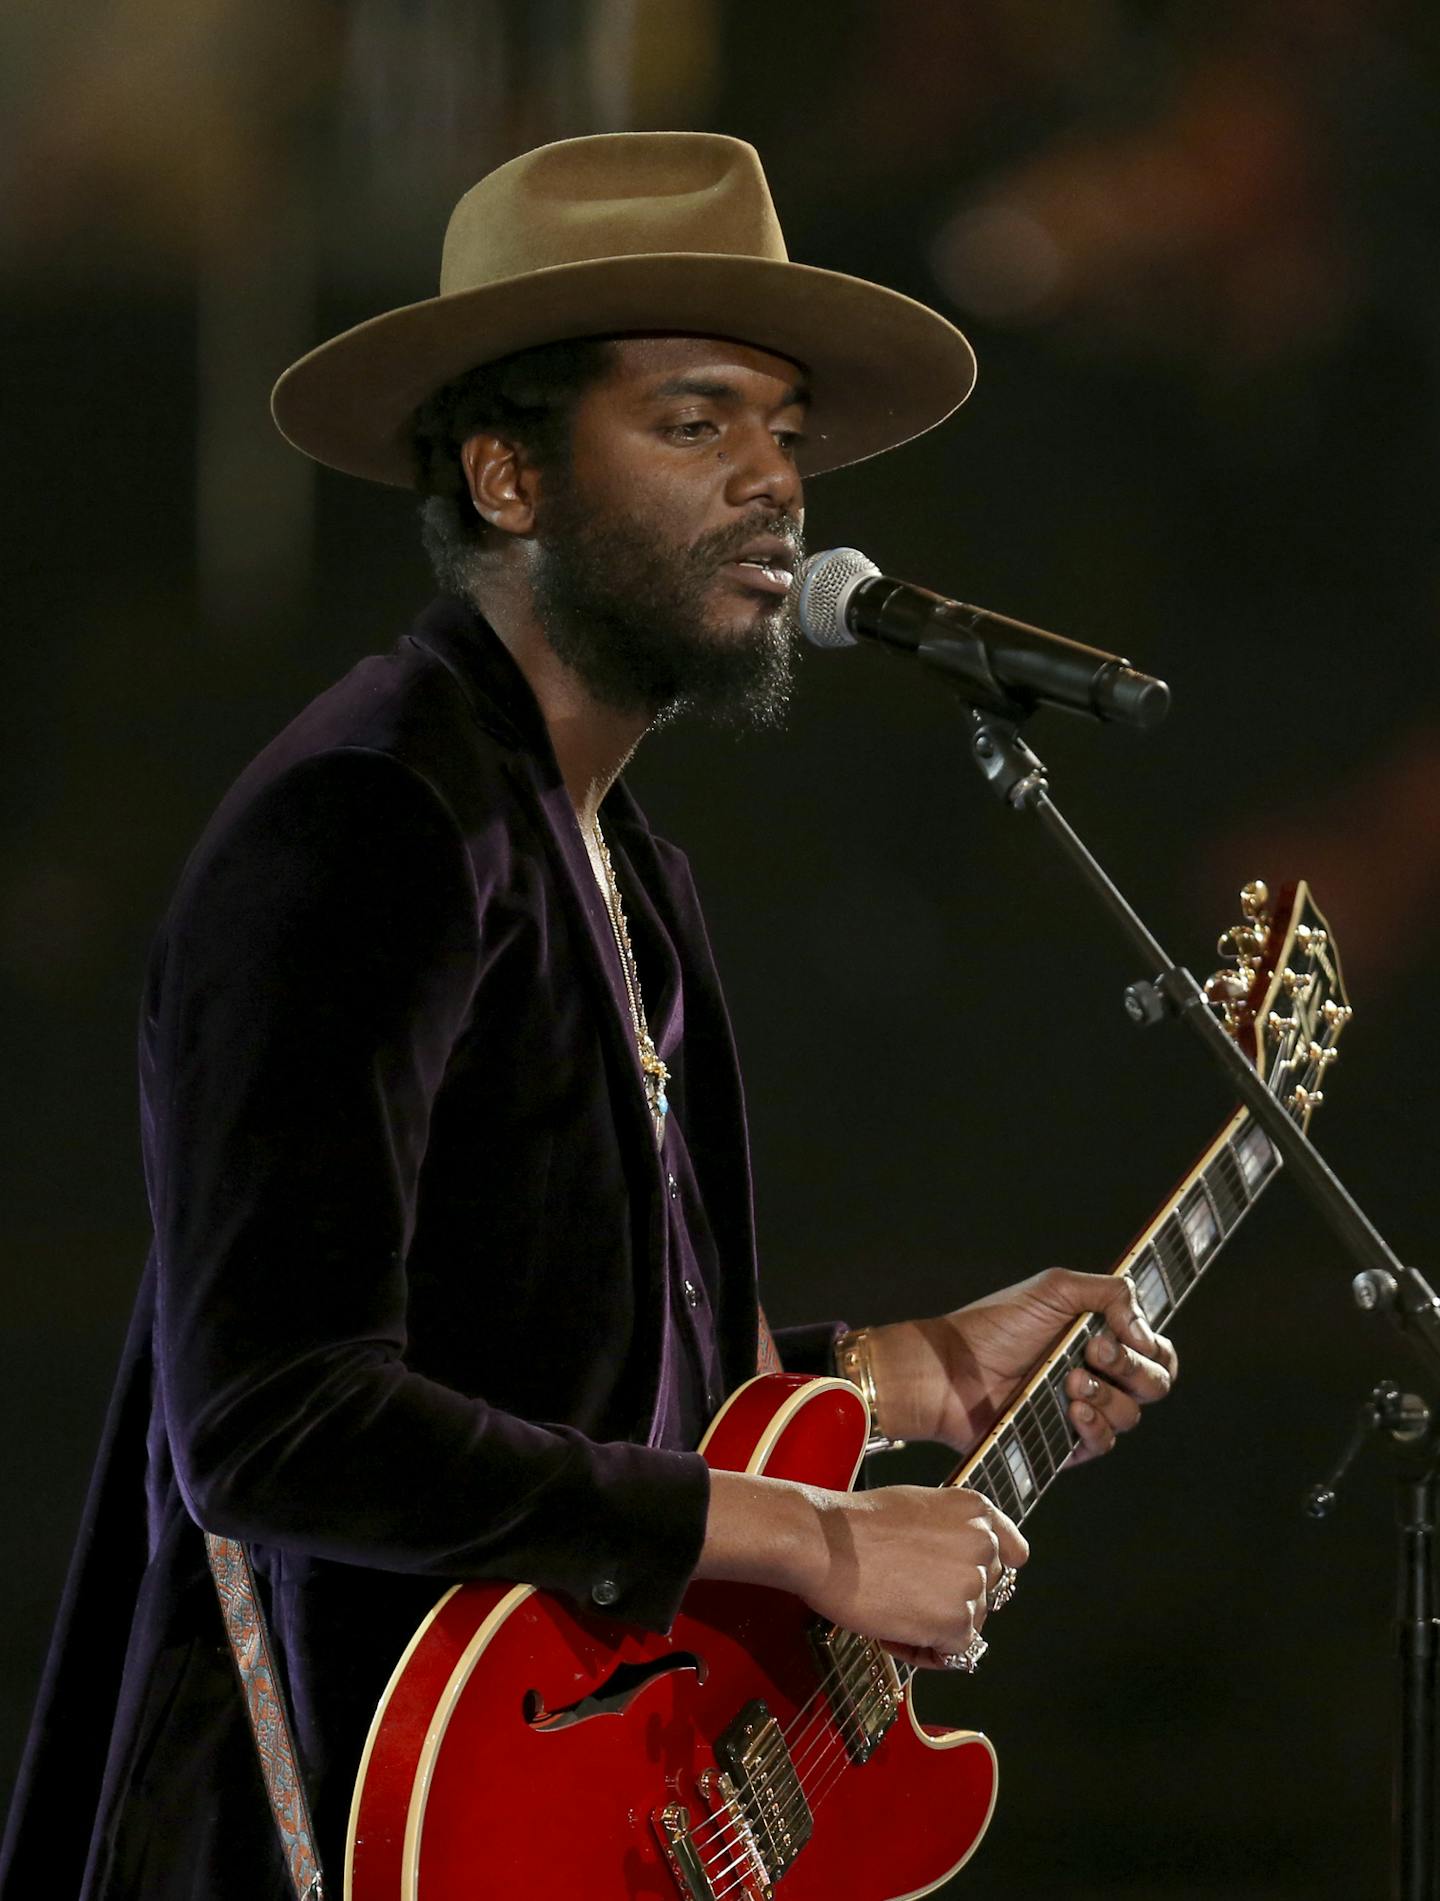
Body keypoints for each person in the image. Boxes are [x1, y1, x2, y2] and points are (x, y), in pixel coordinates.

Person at [1, 132, 1175, 1899]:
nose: (777, 481)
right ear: (507, 475)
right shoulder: (369, 820)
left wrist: (906, 1370)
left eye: (789, 431)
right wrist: (819, 1541)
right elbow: (270, 1416)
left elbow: (570, 1376)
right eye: (697, 424)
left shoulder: (616, 861)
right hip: (346, 1817)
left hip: (562, 1806)